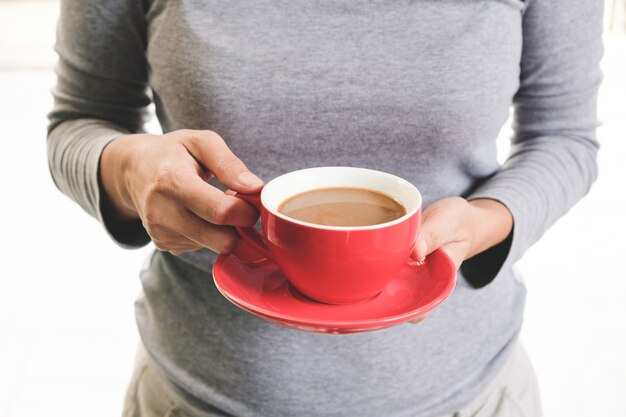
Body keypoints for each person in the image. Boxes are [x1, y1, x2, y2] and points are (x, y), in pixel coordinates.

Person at [47, 1, 603, 416]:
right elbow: (79, 122)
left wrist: (487, 221)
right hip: (196, 396)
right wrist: (129, 169)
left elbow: (564, 137)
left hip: (468, 395)